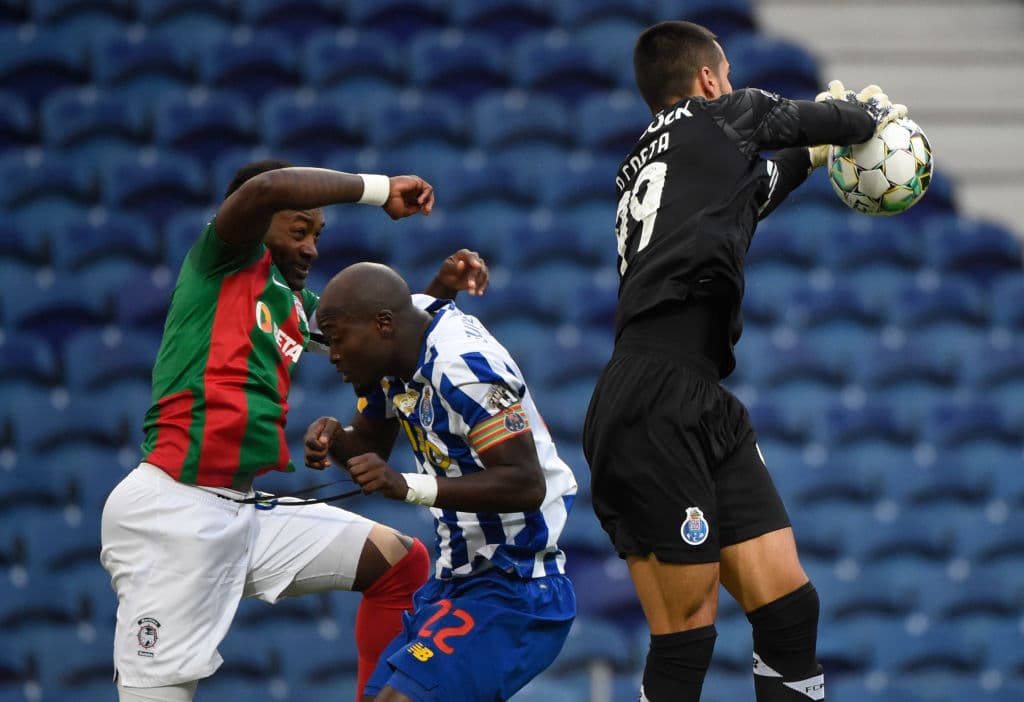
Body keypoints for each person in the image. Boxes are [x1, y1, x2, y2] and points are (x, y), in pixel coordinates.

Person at [581, 21, 908, 702]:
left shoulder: (651, 160)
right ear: (707, 79)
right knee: (688, 631)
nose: (730, 85)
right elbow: (794, 118)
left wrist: (814, 156)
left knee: (787, 605)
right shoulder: (720, 114)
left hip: (696, 396)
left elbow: (753, 194)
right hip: (654, 399)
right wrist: (866, 119)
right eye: (724, 75)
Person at [99, 160, 490, 702]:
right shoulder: (221, 263)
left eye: (318, 236)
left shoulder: (293, 304)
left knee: (400, 563)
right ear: (256, 221)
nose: (311, 248)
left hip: (244, 510)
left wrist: (434, 294)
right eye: (298, 230)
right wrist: (379, 191)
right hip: (172, 513)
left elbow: (381, 340)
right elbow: (269, 187)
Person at [302, 261, 578, 702]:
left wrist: (409, 486)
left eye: (338, 340)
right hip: (455, 583)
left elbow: (526, 483)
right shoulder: (396, 352)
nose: (333, 355)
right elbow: (369, 446)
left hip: (518, 586)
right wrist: (335, 441)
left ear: (383, 325)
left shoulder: (465, 369)